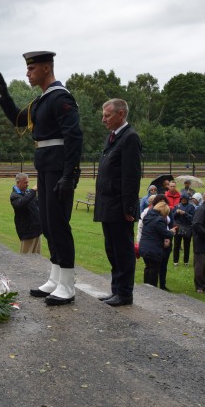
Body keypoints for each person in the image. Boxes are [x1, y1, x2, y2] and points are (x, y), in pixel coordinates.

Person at [0, 51, 83, 306]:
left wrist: (70, 175)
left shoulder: (61, 97)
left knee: (59, 224)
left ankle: (67, 283)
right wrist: (5, 95)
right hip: (45, 167)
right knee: (47, 223)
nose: (27, 73)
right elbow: (18, 119)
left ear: (46, 68)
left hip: (58, 169)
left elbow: (74, 138)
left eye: (32, 69)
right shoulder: (42, 100)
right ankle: (56, 278)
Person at [94, 98, 142, 306]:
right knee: (111, 250)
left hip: (119, 207)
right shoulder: (113, 137)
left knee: (123, 250)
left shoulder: (130, 137)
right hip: (107, 205)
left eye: (107, 115)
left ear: (121, 114)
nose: (103, 119)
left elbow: (131, 176)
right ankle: (116, 290)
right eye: (103, 115)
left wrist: (129, 207)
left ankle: (124, 293)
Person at [138, 200, 176, 288]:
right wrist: (171, 232)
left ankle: (145, 287)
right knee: (154, 270)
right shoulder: (159, 220)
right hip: (153, 248)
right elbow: (164, 233)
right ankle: (152, 289)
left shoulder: (148, 216)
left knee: (148, 267)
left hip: (144, 246)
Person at [10, 173, 42, 254]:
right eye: (25, 183)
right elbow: (22, 203)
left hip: (37, 230)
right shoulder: (14, 196)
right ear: (18, 182)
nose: (27, 185)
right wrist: (33, 191)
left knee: (37, 257)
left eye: (28, 182)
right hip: (28, 232)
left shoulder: (28, 193)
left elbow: (38, 205)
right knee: (25, 258)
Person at [172, 193, 195, 266]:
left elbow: (192, 218)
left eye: (185, 199)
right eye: (182, 199)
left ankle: (186, 261)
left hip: (187, 227)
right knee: (176, 245)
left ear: (187, 200)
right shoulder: (177, 206)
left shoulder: (191, 207)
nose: (183, 200)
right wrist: (176, 212)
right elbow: (173, 217)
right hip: (177, 227)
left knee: (187, 245)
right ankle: (175, 261)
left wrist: (185, 213)